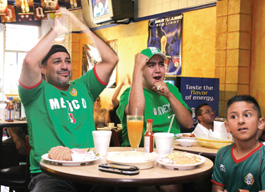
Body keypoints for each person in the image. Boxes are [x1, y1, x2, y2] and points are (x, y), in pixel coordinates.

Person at [18, 8, 118, 192]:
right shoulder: (35, 92)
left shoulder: (84, 86)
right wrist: (57, 29)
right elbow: (28, 61)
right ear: (43, 68)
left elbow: (111, 59)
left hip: (90, 168)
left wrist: (83, 27)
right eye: (57, 61)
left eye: (68, 61)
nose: (65, 66)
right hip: (49, 172)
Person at [116, 47, 193, 148]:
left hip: (173, 153)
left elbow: (188, 124)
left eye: (161, 64)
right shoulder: (129, 94)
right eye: (151, 65)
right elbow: (135, 116)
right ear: (141, 70)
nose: (158, 70)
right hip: (141, 154)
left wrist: (169, 95)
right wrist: (137, 70)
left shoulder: (171, 90)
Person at [211, 95, 265, 192]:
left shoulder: (263, 155)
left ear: (260, 123)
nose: (240, 121)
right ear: (227, 126)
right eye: (234, 116)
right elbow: (217, 188)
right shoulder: (222, 154)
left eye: (247, 115)